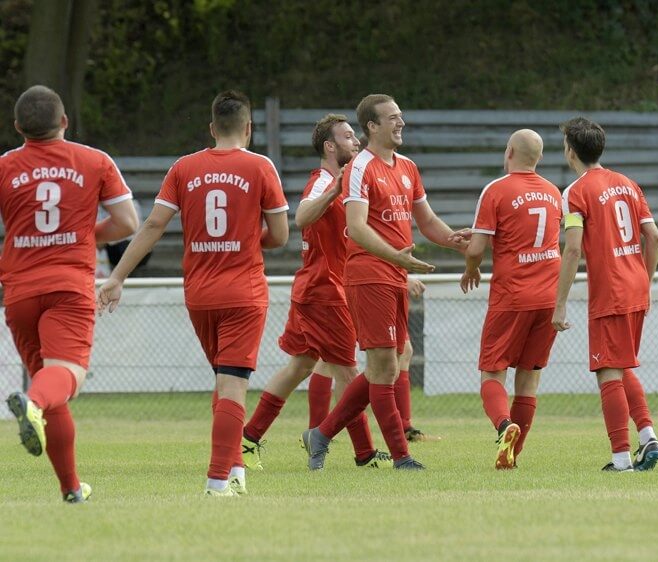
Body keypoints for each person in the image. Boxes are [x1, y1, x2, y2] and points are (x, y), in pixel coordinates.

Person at [97, 90, 289, 495]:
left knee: (223, 383)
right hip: (243, 293)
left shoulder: (184, 168)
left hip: (200, 294)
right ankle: (218, 481)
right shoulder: (260, 166)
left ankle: (236, 470)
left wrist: (117, 278)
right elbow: (282, 236)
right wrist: (247, 239)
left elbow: (151, 226)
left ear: (211, 127)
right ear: (249, 128)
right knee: (233, 385)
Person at [302, 93, 468, 470]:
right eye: (392, 118)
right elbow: (356, 229)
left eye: (401, 116)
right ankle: (401, 456)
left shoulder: (408, 166)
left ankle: (322, 433)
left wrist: (453, 240)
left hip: (393, 272)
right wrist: (396, 257)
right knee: (382, 366)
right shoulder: (360, 167)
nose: (400, 122)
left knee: (388, 366)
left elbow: (426, 221)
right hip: (368, 273)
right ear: (372, 126)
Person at [2, 85, 139, 503]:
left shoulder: (5, 165)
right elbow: (127, 222)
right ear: (64, 122)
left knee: (51, 384)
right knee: (66, 377)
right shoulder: (94, 161)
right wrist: (82, 237)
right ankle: (30, 402)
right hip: (68, 287)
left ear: (18, 126)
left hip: (20, 290)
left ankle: (71, 489)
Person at [240, 114, 391, 471]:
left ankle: (248, 439)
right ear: (330, 146)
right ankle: (365, 454)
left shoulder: (345, 181)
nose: (355, 142)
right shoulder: (323, 180)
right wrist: (335, 190)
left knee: (300, 366)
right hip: (325, 291)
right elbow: (302, 216)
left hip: (315, 287)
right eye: (348, 136)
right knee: (350, 375)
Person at [552, 117, 658, 472]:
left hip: (611, 291)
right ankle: (648, 436)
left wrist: (560, 303)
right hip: (636, 285)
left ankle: (621, 459)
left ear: (570, 149)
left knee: (607, 371)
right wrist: (645, 280)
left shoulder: (575, 192)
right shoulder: (628, 184)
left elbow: (572, 250)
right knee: (621, 363)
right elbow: (654, 238)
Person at [461, 129, 561, 469]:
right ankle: (510, 458)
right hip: (549, 297)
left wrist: (471, 267)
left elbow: (476, 249)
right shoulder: (552, 192)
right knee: (529, 379)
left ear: (508, 152)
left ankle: (505, 426)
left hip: (512, 296)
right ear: (539, 158)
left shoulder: (496, 189)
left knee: (492, 374)